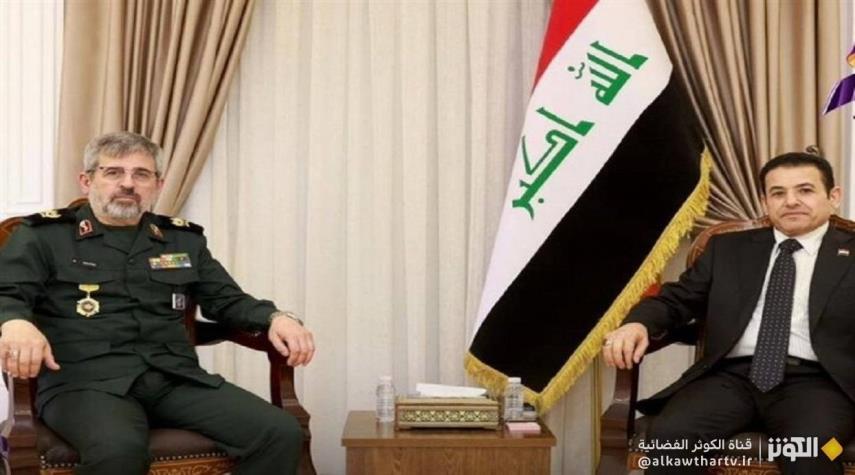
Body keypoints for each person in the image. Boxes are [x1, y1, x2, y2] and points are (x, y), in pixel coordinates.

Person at [0, 131, 315, 474]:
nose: (128, 183)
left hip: (172, 377)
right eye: (113, 172)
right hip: (85, 383)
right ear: (86, 180)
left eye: (141, 174)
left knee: (279, 433)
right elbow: (8, 291)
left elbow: (227, 300)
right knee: (119, 451)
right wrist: (15, 322)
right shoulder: (43, 236)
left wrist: (276, 317)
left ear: (158, 185)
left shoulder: (181, 240)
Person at [603, 152, 855, 474]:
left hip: (819, 384)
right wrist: (637, 324)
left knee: (812, 451)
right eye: (778, 193)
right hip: (730, 378)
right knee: (671, 438)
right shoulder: (728, 249)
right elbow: (676, 300)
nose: (791, 201)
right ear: (765, 202)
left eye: (804, 190)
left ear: (833, 197)